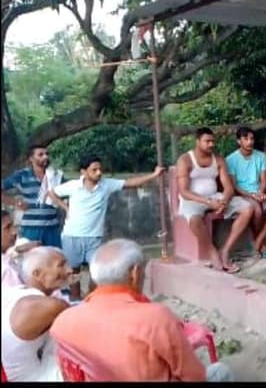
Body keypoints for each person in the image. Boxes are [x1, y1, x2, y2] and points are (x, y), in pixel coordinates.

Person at [49, 239, 234, 381]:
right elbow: (194, 376)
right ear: (135, 273)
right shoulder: (155, 317)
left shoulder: (62, 323)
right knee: (220, 371)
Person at [48, 155, 165, 300]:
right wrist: (65, 208)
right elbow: (52, 193)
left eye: (100, 169)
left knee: (96, 273)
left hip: (95, 237)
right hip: (71, 236)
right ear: (83, 172)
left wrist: (153, 175)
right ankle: (75, 300)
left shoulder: (106, 184)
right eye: (94, 170)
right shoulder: (72, 186)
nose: (99, 173)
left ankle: (93, 300)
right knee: (73, 272)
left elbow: (130, 183)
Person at [175, 127, 253, 274]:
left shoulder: (218, 159)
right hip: (193, 199)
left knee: (247, 208)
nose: (211, 144)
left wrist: (225, 200)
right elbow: (184, 192)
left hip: (215, 197)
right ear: (197, 142)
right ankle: (212, 252)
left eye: (212, 141)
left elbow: (228, 187)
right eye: (207, 141)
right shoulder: (185, 160)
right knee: (194, 220)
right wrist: (207, 202)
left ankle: (225, 250)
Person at [1, 246, 72, 382]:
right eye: (61, 265)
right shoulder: (51, 306)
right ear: (37, 274)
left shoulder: (14, 292)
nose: (69, 270)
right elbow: (83, 320)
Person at [226, 127, 266, 260]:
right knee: (257, 210)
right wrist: (251, 195)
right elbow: (234, 186)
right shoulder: (231, 159)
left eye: (251, 139)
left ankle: (259, 241)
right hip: (242, 195)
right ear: (239, 141)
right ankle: (260, 243)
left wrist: (260, 193)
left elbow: (264, 181)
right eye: (246, 139)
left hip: (258, 192)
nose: (249, 142)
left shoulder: (261, 156)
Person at [2, 145, 65, 248]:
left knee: (54, 257)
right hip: (30, 229)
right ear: (31, 158)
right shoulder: (22, 175)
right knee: (30, 257)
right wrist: (14, 202)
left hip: (52, 229)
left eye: (47, 154)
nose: (45, 157)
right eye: (40, 154)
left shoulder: (56, 176)